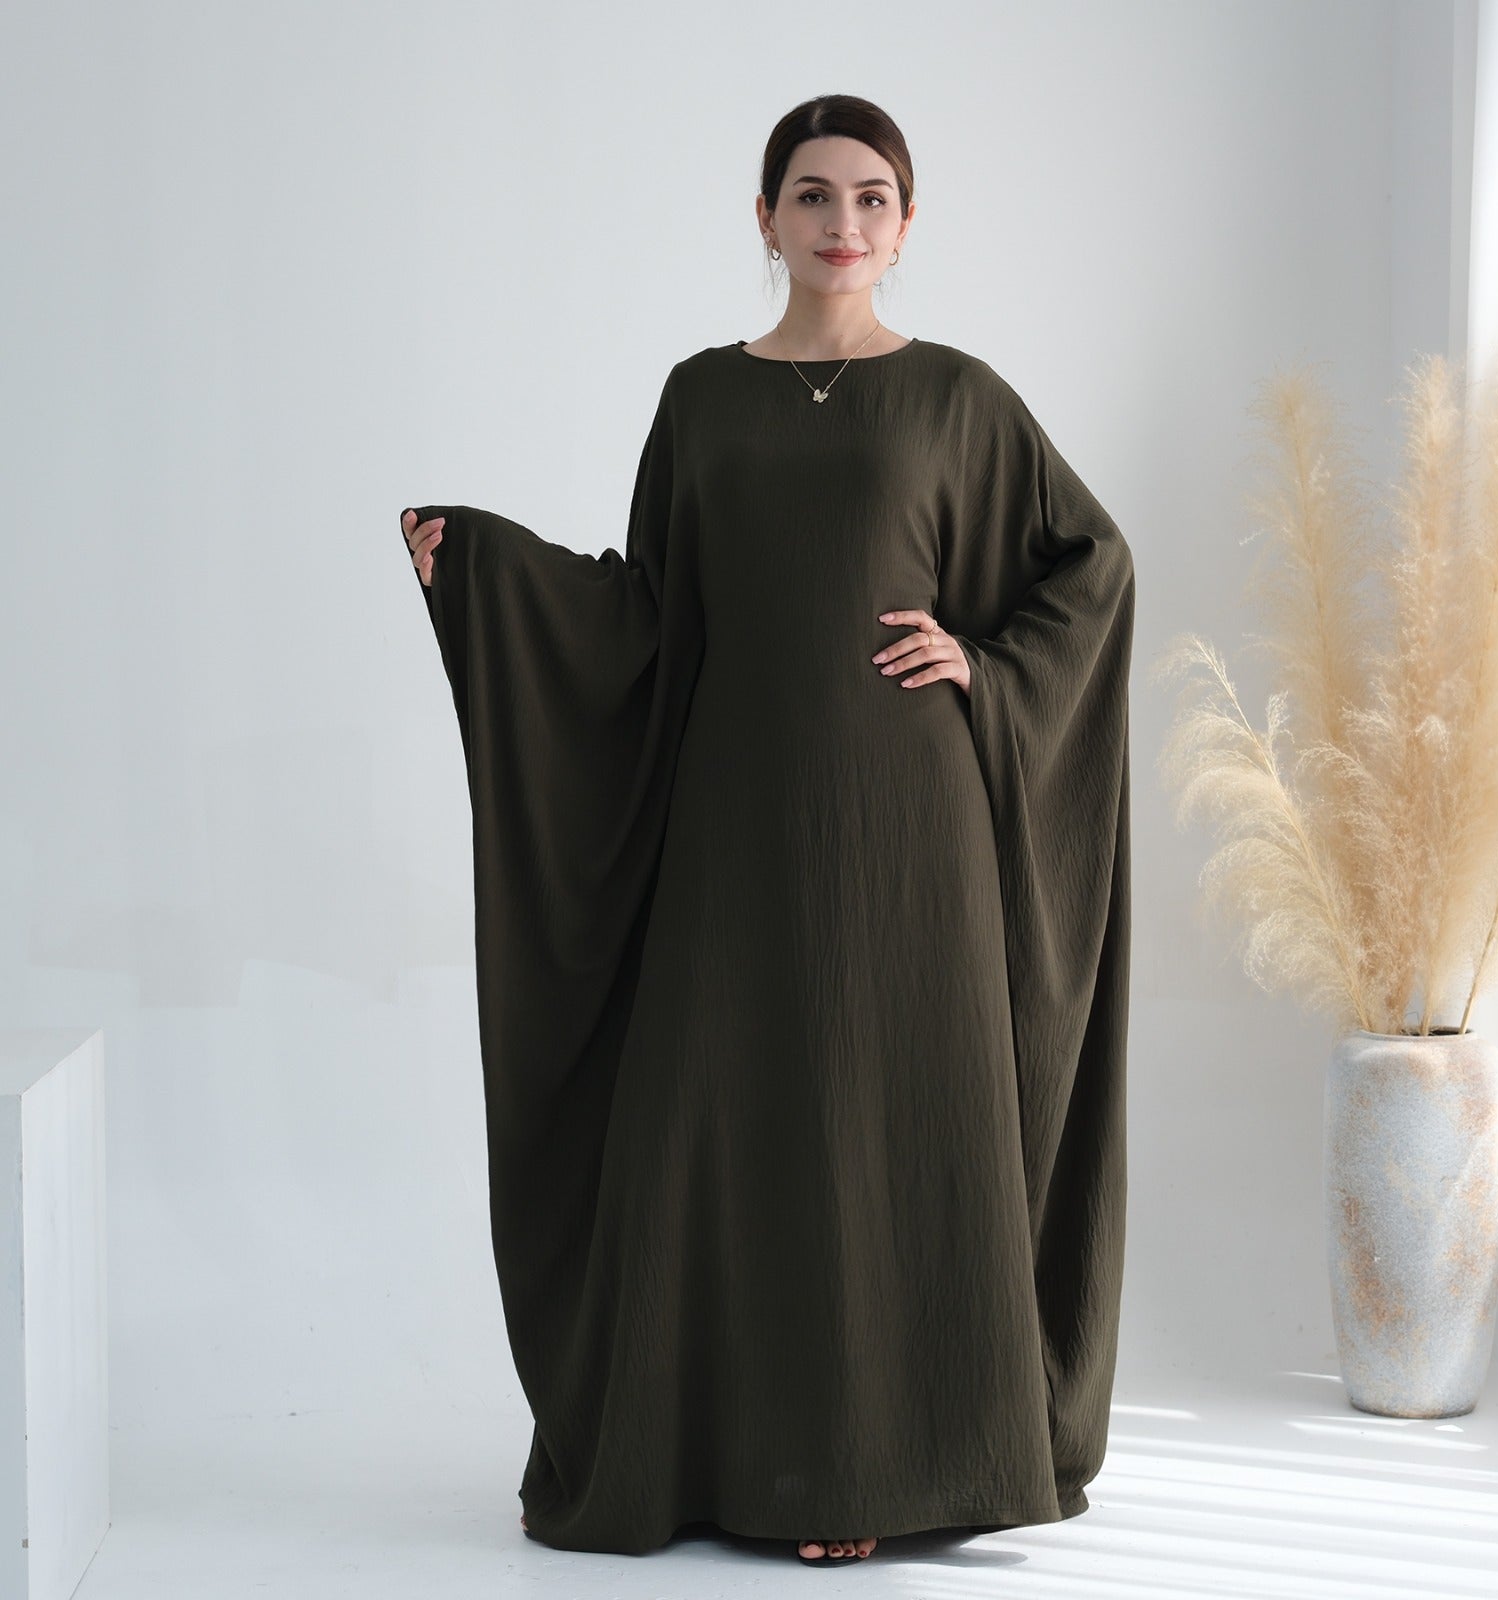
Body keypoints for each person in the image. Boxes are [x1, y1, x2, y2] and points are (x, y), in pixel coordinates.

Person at [400, 92, 1135, 1568]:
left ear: (905, 226)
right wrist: (487, 570)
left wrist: (986, 668)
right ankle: (736, 1457)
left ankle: (872, 1474)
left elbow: (1092, 566)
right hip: (735, 822)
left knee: (889, 1122)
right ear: (765, 218)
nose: (841, 223)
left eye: (871, 199)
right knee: (732, 1122)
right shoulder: (702, 399)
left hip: (912, 831)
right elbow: (647, 614)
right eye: (812, 195)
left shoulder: (959, 400)